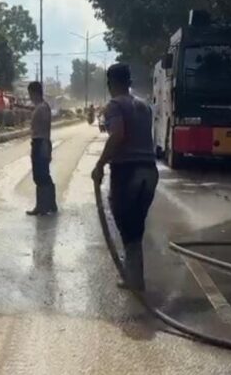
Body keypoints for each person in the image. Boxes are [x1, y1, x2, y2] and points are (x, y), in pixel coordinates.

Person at [92, 64, 159, 291]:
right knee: (136, 225)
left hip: (127, 171)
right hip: (150, 171)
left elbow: (117, 135)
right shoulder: (144, 106)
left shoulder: (114, 106)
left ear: (110, 84)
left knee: (126, 224)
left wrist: (100, 164)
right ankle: (134, 276)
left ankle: (134, 278)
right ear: (129, 82)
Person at [26, 81, 58, 216]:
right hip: (41, 142)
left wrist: (45, 147)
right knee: (43, 175)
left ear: (34, 93)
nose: (29, 97)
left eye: (30, 94)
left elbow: (44, 128)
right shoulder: (41, 107)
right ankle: (49, 204)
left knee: (40, 175)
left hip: (41, 142)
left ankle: (43, 206)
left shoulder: (42, 108)